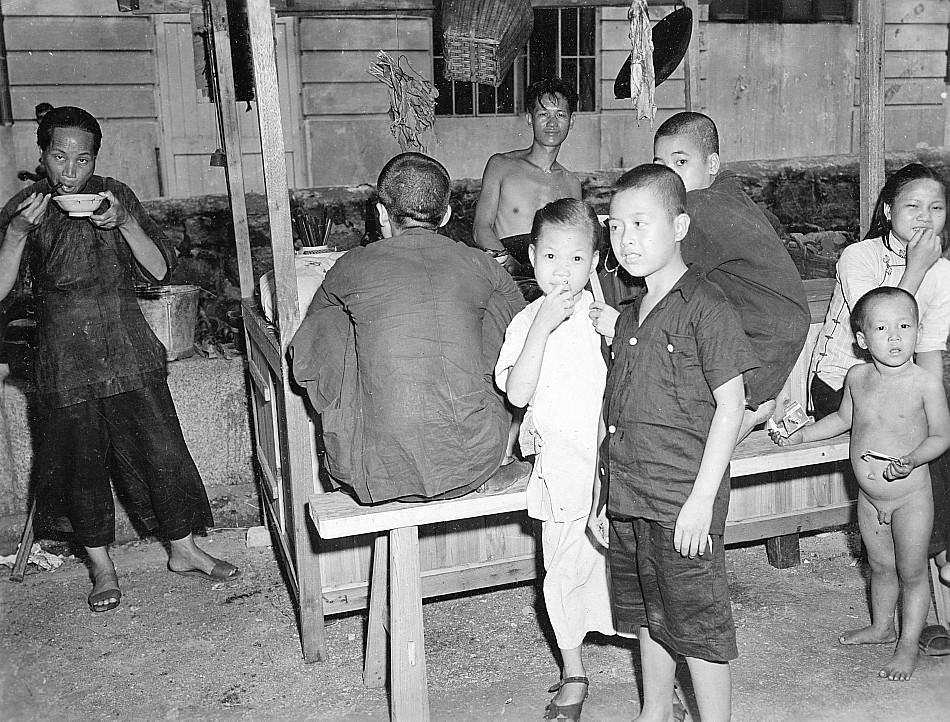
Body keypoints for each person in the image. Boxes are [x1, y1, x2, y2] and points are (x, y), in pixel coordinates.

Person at [0, 106, 239, 614]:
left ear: (96, 160)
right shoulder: (26, 208)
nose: (71, 171)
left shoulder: (116, 197)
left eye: (82, 159)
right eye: (59, 157)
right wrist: (18, 234)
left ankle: (183, 550)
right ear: (42, 157)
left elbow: (157, 269)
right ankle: (102, 568)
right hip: (65, 360)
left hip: (127, 349)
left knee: (163, 453)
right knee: (80, 467)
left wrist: (125, 222)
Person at [588, 164, 759, 722]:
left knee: (697, 626)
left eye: (641, 223)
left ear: (681, 226)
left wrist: (700, 502)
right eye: (615, 227)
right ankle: (655, 712)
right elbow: (614, 413)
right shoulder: (630, 317)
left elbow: (731, 406)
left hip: (682, 501)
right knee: (648, 615)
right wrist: (600, 500)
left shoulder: (706, 307)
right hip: (631, 498)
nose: (626, 239)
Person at [289, 152, 528, 503]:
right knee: (498, 313)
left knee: (333, 323)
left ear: (382, 215)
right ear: (444, 216)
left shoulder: (351, 264)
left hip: (374, 472)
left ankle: (359, 440)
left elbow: (306, 356)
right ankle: (502, 450)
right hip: (475, 461)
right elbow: (523, 336)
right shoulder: (480, 263)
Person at [593, 112, 809, 439]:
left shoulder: (698, 206)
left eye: (681, 163)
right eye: (661, 164)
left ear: (711, 164)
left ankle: (747, 413)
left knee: (682, 436)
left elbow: (651, 277)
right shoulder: (729, 194)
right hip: (774, 337)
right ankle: (750, 410)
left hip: (758, 346)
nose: (669, 176)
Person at [809, 162, 950, 655]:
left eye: (936, 208)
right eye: (911, 206)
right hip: (843, 382)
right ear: (887, 210)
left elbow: (924, 349)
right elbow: (878, 327)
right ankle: (933, 564)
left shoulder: (945, 272)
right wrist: (917, 268)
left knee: (935, 429)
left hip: (902, 378)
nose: (924, 218)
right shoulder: (859, 256)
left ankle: (936, 556)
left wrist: (931, 398)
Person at [774, 286, 950, 681]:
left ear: (918, 331)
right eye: (882, 328)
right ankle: (881, 627)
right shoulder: (857, 377)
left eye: (905, 326)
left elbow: (942, 436)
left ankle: (908, 646)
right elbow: (842, 420)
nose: (894, 336)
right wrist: (803, 435)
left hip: (911, 497)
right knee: (880, 566)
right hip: (870, 499)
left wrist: (912, 460)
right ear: (861, 339)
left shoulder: (925, 383)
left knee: (911, 571)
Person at [495, 198, 614, 721]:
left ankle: (659, 675)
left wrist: (616, 332)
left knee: (629, 575)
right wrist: (542, 326)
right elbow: (518, 395)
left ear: (593, 262)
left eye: (574, 259)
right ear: (532, 258)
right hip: (563, 474)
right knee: (561, 576)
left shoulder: (609, 317)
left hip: (616, 473)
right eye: (549, 258)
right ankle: (574, 671)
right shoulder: (525, 322)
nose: (561, 272)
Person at [473, 77, 583, 286]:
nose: (552, 123)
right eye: (543, 114)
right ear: (530, 119)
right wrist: (509, 263)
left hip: (551, 279)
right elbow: (481, 228)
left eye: (560, 115)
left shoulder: (571, 184)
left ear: (572, 120)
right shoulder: (501, 165)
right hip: (505, 273)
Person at [17, 102, 54, 183]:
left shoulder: (59, 134)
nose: (44, 120)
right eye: (40, 117)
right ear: (37, 120)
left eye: (46, 116)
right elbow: (44, 178)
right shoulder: (42, 136)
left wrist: (46, 167)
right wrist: (29, 175)